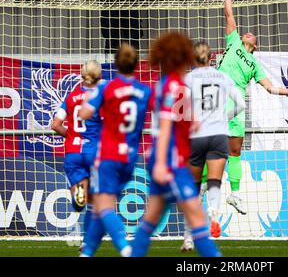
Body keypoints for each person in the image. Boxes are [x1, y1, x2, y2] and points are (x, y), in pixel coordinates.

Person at [218, 0, 288, 215]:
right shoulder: (233, 43)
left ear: (255, 45)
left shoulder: (254, 65)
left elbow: (271, 88)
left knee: (235, 151)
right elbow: (229, 15)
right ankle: (200, 188)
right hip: (217, 99)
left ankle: (235, 194)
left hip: (237, 108)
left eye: (252, 35)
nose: (249, 32)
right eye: (246, 33)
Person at [130, 32, 221, 257]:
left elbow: (181, 120)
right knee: (197, 218)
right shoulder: (175, 87)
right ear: (183, 57)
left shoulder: (163, 86)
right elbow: (166, 125)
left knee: (150, 220)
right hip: (170, 162)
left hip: (164, 159)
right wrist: (162, 162)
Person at [78, 43, 153, 257]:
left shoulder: (106, 88)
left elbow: (84, 114)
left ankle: (125, 248)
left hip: (109, 155)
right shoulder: (144, 90)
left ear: (115, 63)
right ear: (136, 65)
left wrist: (86, 98)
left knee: (103, 206)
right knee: (105, 207)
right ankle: (87, 253)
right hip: (129, 157)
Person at [180, 41, 245, 251]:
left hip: (197, 135)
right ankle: (214, 213)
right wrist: (224, 118)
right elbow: (241, 104)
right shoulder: (223, 77)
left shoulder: (189, 78)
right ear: (211, 58)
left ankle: (189, 237)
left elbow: (180, 109)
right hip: (219, 134)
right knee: (215, 181)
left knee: (194, 187)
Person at [51, 60, 102, 248]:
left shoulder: (71, 97)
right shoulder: (99, 98)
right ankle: (86, 241)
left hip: (73, 152)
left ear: (82, 75)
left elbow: (55, 124)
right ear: (100, 76)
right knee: (95, 202)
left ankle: (78, 199)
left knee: (82, 199)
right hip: (94, 152)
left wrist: (72, 135)